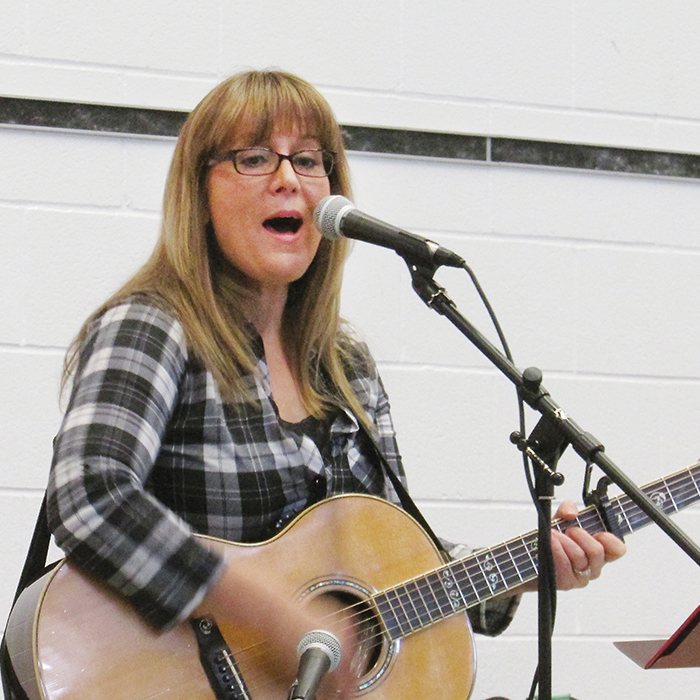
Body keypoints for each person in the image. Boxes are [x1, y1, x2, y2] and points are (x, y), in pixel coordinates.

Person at [46, 69, 626, 698]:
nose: (289, 178)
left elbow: (393, 571)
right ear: (200, 196)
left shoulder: (345, 364)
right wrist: (272, 614)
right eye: (255, 158)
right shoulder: (155, 327)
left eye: (309, 160)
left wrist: (525, 570)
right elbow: (90, 496)